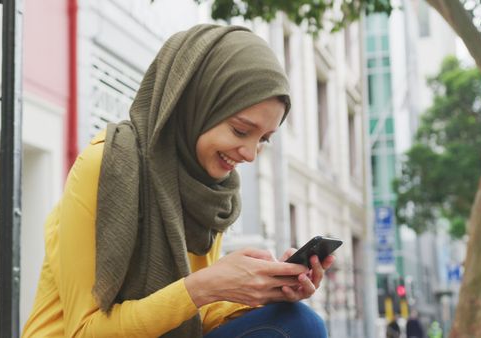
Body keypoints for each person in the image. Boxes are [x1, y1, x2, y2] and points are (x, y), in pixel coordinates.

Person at [21, 24, 335, 338]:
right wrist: (207, 284)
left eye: (263, 139)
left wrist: (261, 291)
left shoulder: (211, 190)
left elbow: (195, 313)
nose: (250, 155)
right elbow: (85, 331)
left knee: (296, 321)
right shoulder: (107, 164)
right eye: (241, 131)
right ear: (197, 103)